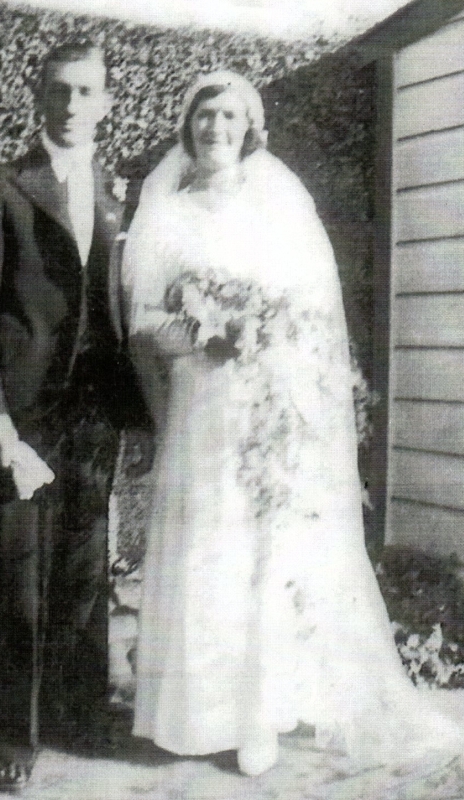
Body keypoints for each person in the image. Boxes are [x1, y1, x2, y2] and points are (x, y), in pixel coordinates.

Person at [122, 70, 464, 778]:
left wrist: (259, 334)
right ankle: (188, 714)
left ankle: (257, 715)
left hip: (264, 408)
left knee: (260, 552)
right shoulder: (167, 209)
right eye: (204, 116)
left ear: (250, 129)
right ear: (187, 129)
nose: (215, 127)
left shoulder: (277, 204)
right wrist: (201, 331)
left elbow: (310, 311)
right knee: (201, 547)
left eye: (229, 117)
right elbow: (142, 322)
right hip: (198, 404)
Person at [0, 40, 153, 792]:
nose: (71, 105)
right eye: (59, 91)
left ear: (104, 102)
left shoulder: (117, 193)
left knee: (84, 574)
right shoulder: (0, 187)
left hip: (93, 413)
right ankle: (12, 738)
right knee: (18, 578)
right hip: (23, 421)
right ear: (41, 97)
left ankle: (78, 716)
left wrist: (142, 415)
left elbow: (128, 308)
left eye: (85, 92)